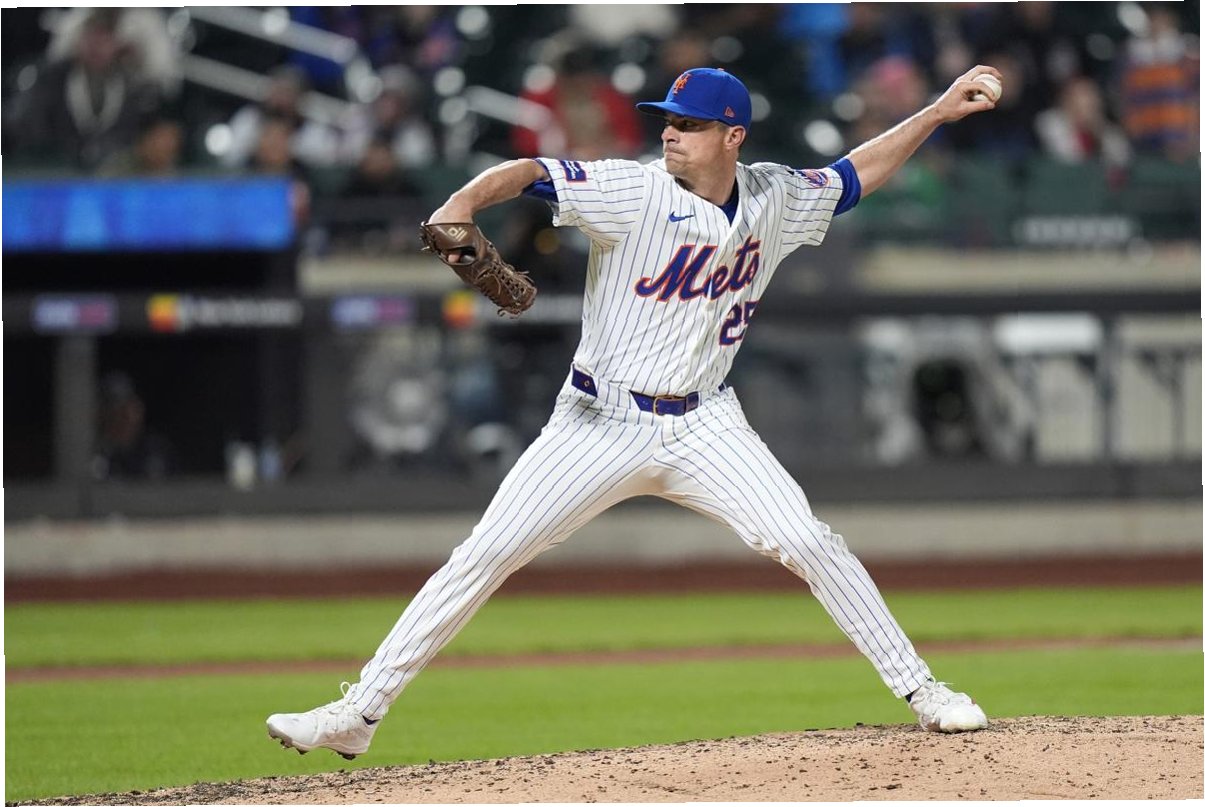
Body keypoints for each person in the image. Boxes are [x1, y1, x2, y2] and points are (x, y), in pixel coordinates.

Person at [267, 65, 1001, 759]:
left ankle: (924, 690)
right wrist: (460, 204)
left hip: (706, 423)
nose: (670, 133)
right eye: (667, 120)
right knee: (484, 554)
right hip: (597, 421)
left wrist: (936, 113)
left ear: (733, 136)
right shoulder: (632, 190)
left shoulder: (775, 195)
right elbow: (530, 171)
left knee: (808, 540)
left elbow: (852, 176)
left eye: (690, 124)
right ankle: (358, 714)